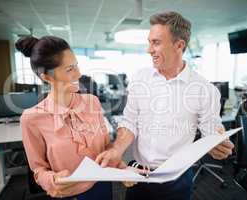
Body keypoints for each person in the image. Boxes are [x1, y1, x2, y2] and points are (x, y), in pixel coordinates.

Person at [95, 11, 235, 200]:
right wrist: (116, 150)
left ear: (179, 45)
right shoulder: (140, 78)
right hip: (137, 174)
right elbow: (129, 122)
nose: (149, 49)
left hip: (176, 179)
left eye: (156, 43)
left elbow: (211, 128)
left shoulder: (204, 89)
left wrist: (217, 144)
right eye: (149, 42)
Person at [17, 36, 116, 199]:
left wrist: (121, 166)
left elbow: (106, 147)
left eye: (76, 65)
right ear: (47, 77)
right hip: (68, 193)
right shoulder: (31, 118)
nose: (78, 73)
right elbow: (39, 170)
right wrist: (53, 180)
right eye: (69, 69)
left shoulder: (93, 102)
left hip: (102, 185)